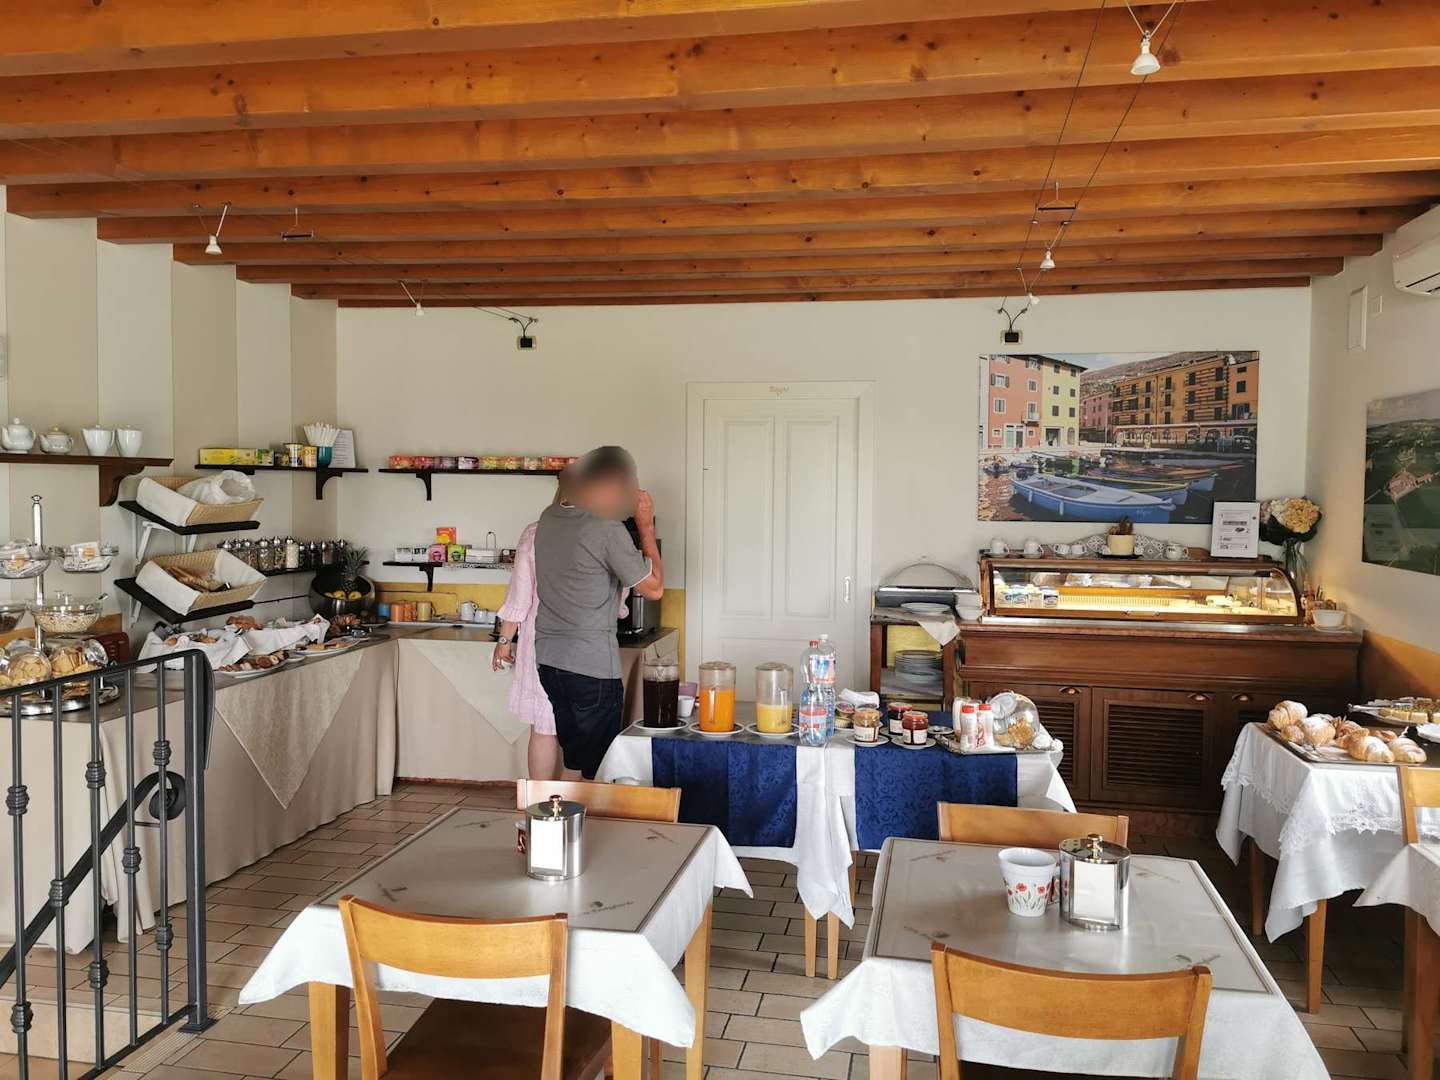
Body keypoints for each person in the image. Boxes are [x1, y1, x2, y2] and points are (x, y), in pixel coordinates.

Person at [532, 447, 663, 779]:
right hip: (590, 667)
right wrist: (645, 527)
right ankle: (594, 812)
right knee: (603, 768)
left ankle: (570, 812)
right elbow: (654, 588)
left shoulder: (549, 517)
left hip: (549, 663)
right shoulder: (606, 530)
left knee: (577, 761)